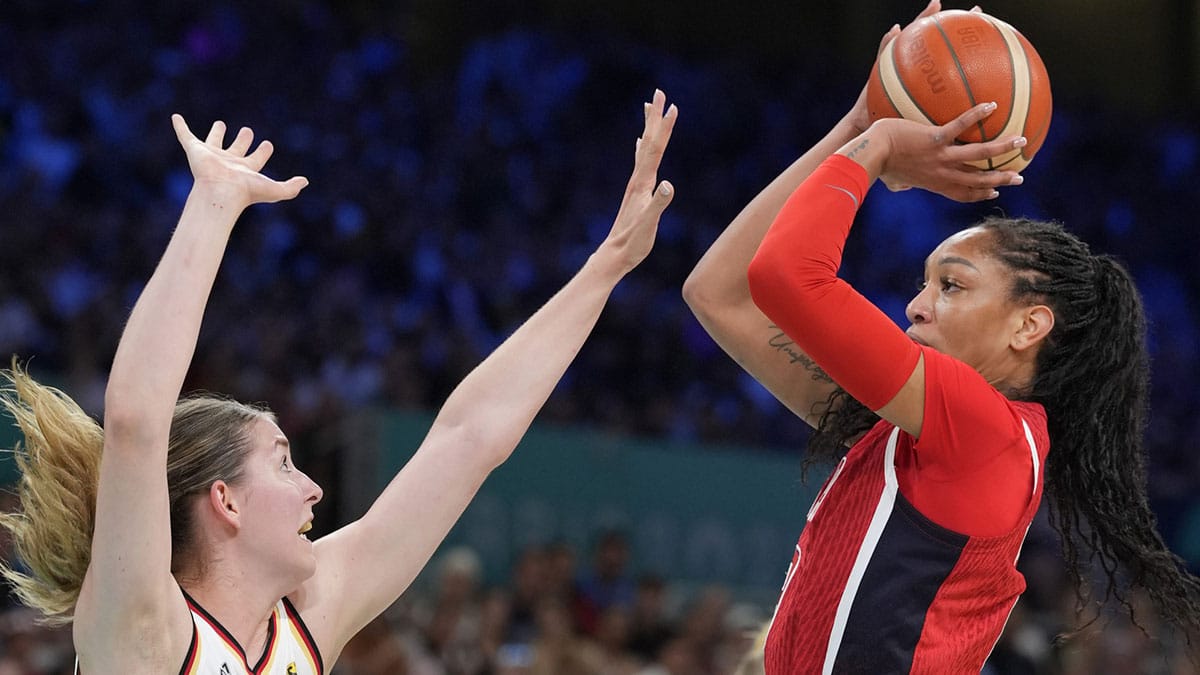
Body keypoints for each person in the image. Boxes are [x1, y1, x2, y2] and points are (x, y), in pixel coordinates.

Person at [0, 89, 677, 673]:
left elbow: (468, 438)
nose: (314, 486)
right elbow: (136, 423)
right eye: (284, 461)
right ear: (225, 502)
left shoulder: (308, 619)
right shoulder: (142, 631)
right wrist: (213, 204)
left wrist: (606, 266)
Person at [682, 2, 1200, 671]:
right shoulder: (908, 431)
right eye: (926, 282)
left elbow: (785, 275)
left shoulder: (987, 432)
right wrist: (859, 123)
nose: (916, 304)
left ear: (1029, 323)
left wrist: (880, 148)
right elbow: (718, 293)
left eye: (951, 285)